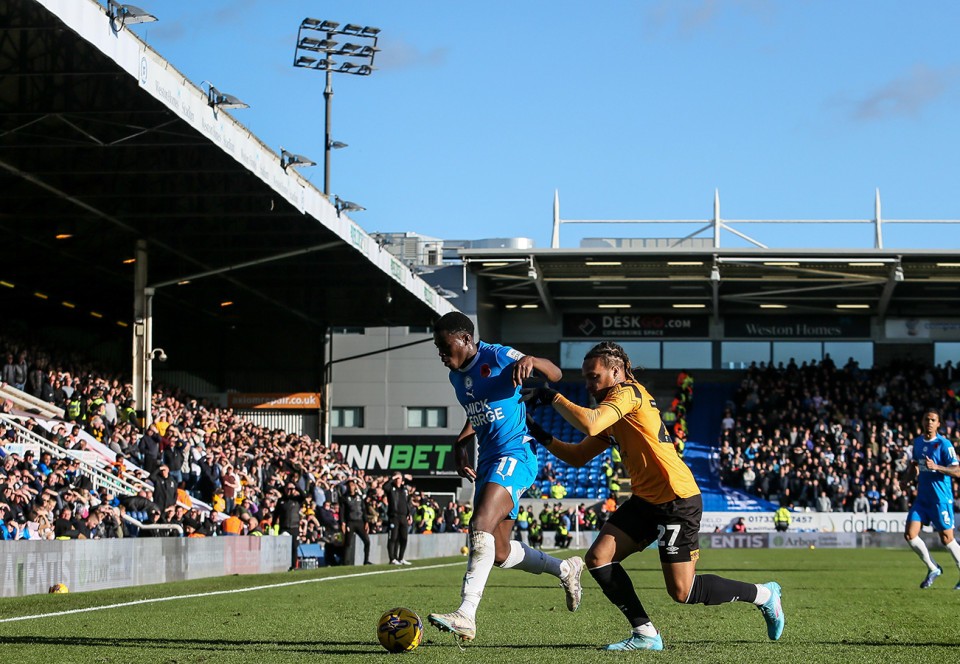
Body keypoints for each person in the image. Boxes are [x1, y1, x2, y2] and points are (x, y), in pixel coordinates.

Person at [523, 341, 784, 651]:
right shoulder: (613, 413)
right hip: (646, 501)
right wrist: (536, 431)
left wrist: (552, 396)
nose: (588, 384)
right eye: (586, 378)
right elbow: (578, 456)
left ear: (616, 372)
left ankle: (765, 595)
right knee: (598, 558)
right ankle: (645, 633)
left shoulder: (628, 393)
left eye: (594, 376)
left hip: (676, 499)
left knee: (683, 591)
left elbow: (589, 422)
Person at [427, 311, 584, 643]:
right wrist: (461, 443)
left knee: (480, 523)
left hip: (515, 454)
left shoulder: (496, 355)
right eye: (438, 349)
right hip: (488, 462)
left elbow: (554, 374)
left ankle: (466, 614)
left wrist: (531, 360)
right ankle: (566, 569)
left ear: (466, 339)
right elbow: (481, 412)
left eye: (445, 347)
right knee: (498, 552)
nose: (441, 355)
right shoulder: (457, 378)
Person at [903, 408, 960, 589]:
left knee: (946, 539)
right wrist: (906, 480)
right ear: (922, 422)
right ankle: (933, 567)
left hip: (940, 499)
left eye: (933, 420)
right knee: (910, 535)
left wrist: (936, 466)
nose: (929, 422)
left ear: (938, 424)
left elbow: (957, 470)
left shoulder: (944, 444)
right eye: (927, 419)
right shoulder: (918, 443)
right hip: (922, 499)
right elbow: (916, 466)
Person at [339, 478, 371, 565]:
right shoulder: (344, 498)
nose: (351, 487)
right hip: (350, 522)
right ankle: (346, 562)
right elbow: (341, 512)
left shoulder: (359, 497)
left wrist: (366, 522)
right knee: (348, 542)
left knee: (367, 541)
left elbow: (363, 510)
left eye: (352, 485)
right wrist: (343, 523)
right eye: (349, 486)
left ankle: (366, 560)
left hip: (360, 521)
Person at [386, 472, 412, 565]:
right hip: (394, 517)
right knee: (393, 538)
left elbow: (407, 503)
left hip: (403, 517)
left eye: (399, 479)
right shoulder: (391, 489)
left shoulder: (404, 490)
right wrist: (393, 477)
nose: (398, 480)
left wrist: (409, 514)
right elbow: (385, 486)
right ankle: (392, 558)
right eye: (396, 479)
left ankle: (401, 558)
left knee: (404, 538)